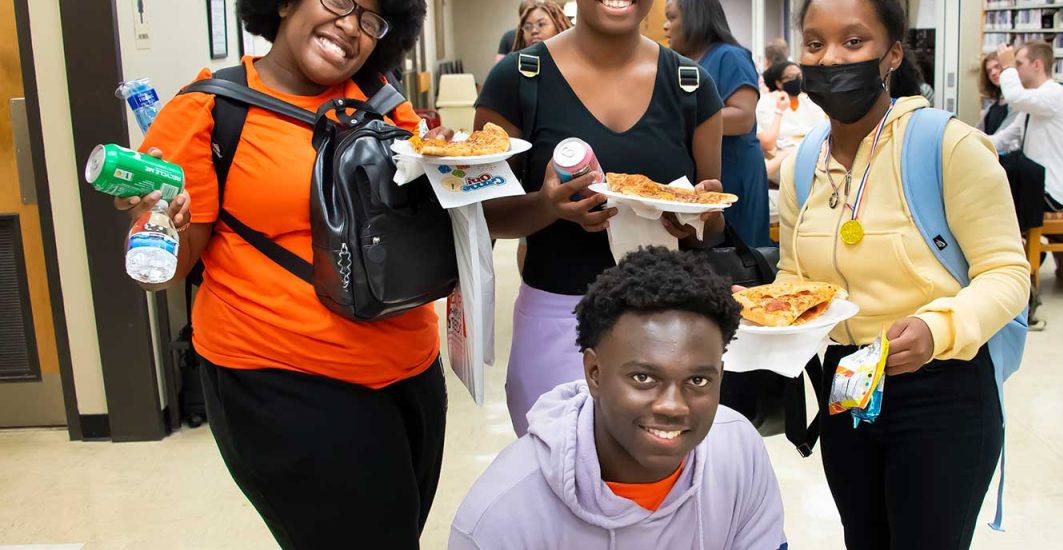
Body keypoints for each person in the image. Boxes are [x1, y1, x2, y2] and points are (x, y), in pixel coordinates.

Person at [115, 1, 449, 547]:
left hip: (409, 370)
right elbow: (165, 270)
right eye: (340, 1)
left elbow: (430, 214)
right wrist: (157, 220)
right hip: (284, 378)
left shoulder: (385, 105)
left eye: (371, 19)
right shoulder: (210, 109)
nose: (350, 25)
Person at [780, 0, 1031, 548]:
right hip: (846, 385)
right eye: (815, 44)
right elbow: (793, 279)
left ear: (892, 53)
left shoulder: (948, 146)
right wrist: (757, 309)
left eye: (853, 42)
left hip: (942, 389)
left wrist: (938, 328)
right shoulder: (803, 163)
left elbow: (1008, 272)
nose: (829, 59)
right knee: (864, 539)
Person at [473, 0, 727, 436]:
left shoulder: (691, 85)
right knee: (555, 472)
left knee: (660, 487)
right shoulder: (517, 79)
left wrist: (697, 218)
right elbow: (487, 216)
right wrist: (547, 206)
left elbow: (714, 222)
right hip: (557, 319)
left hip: (668, 325)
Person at [449, 248, 787, 550]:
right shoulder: (502, 517)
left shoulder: (738, 452)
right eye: (643, 378)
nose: (673, 405)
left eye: (698, 380)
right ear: (594, 373)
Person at [665, 0, 771, 247]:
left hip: (734, 170)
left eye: (671, 18)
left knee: (738, 252)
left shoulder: (729, 56)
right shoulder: (692, 64)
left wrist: (680, 120)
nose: (666, 26)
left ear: (695, 17)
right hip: (711, 171)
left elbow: (743, 117)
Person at [995, 40, 1063, 211]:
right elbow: (1005, 137)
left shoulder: (1055, 94)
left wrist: (1007, 67)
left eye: (1018, 64)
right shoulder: (1034, 102)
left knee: (992, 200)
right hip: (1034, 185)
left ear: (1037, 65)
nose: (1015, 69)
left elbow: (1014, 96)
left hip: (1052, 192)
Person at [978, 51, 1018, 141]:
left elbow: (1004, 136)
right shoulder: (991, 107)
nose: (993, 73)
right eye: (989, 71)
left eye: (996, 66)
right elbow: (977, 132)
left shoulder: (1015, 103)